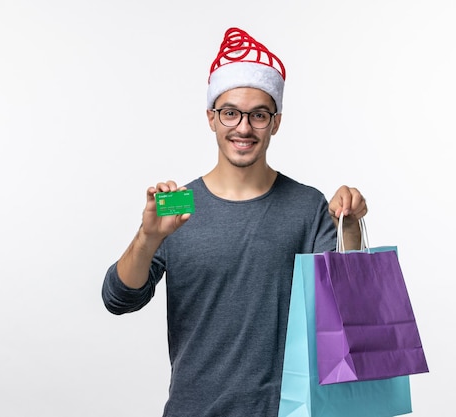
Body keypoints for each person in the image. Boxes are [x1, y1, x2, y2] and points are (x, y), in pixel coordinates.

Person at [102, 27, 368, 417]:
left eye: (258, 115)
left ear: (275, 122)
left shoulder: (308, 205)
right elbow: (117, 299)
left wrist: (348, 224)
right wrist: (147, 237)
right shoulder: (178, 204)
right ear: (212, 118)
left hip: (287, 411)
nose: (243, 128)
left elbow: (346, 303)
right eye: (230, 113)